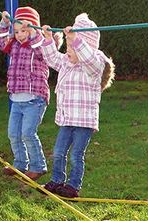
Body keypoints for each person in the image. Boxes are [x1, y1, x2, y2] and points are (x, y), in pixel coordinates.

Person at [40, 13, 115, 198]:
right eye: (68, 48)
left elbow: (88, 58)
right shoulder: (67, 61)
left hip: (84, 121)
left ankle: (73, 186)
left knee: (75, 156)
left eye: (72, 49)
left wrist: (76, 41)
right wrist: (48, 39)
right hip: (67, 119)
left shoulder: (95, 64)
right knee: (58, 153)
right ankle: (57, 180)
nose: (68, 52)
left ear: (84, 47)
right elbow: (52, 59)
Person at [0, 7, 57, 180]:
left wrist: (35, 33)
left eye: (24, 31)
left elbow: (42, 50)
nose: (20, 35)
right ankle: (20, 164)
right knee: (13, 134)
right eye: (17, 31)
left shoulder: (40, 46)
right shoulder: (13, 44)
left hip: (34, 99)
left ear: (33, 30)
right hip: (16, 99)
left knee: (27, 134)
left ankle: (38, 166)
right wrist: (4, 23)